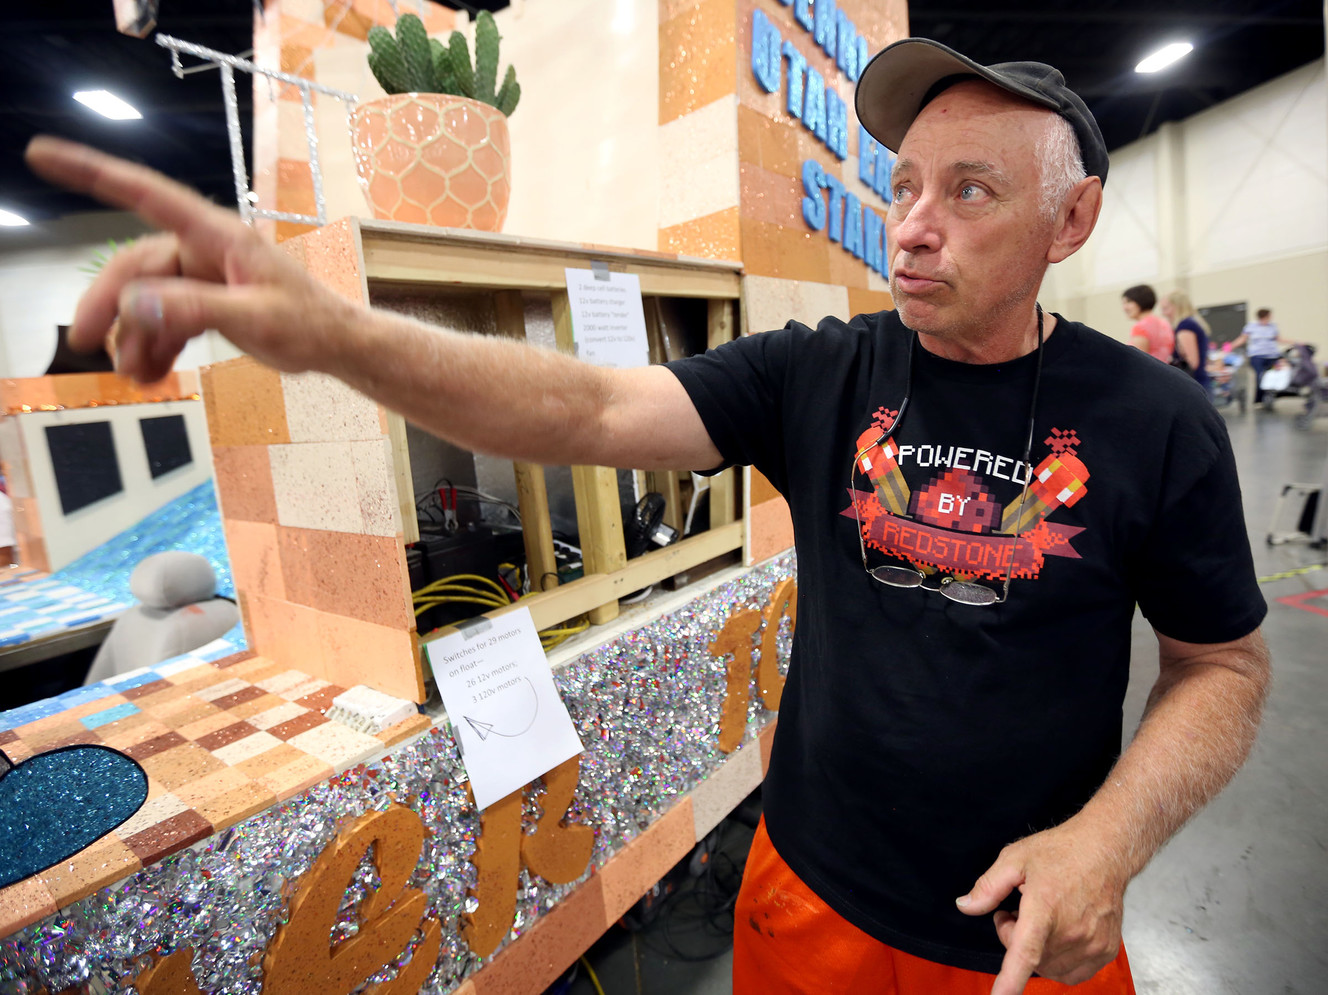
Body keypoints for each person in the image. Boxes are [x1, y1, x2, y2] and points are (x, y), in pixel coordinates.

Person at [24, 35, 1270, 995]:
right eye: (901, 185)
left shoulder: (1154, 419)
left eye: (969, 190)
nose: (911, 225)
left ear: (1071, 219)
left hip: (1027, 924)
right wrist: (340, 336)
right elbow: (585, 409)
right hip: (807, 896)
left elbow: (1219, 666)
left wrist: (1104, 843)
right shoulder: (820, 372)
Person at [1160, 290, 1212, 395]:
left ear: (1177, 307)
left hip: (1194, 385)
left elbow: (1192, 362)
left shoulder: (1185, 326)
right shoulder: (1192, 323)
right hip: (1199, 382)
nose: (1163, 313)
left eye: (1166, 309)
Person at [1231, 308, 1282, 407]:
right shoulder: (1251, 326)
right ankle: (1258, 400)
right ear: (1264, 316)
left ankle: (1270, 398)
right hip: (1257, 356)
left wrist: (1296, 343)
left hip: (1272, 356)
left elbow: (1279, 339)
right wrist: (1228, 347)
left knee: (1272, 377)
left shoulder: (1273, 326)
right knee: (1260, 377)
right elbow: (1242, 339)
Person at [1120, 284, 1174, 362]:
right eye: (1124, 303)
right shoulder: (1164, 323)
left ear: (1140, 301)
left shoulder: (1140, 327)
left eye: (1128, 302)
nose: (1124, 308)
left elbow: (1138, 360)